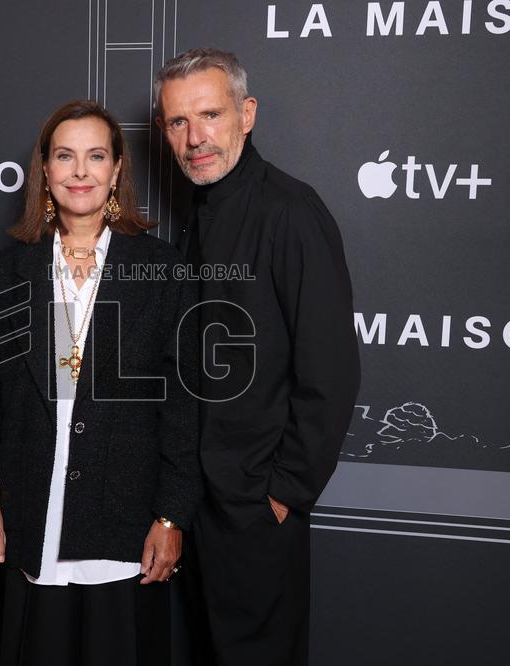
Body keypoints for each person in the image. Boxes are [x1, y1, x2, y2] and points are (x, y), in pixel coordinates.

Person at [0, 100, 201, 666]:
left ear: (117, 169)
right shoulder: (9, 270)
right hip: (33, 519)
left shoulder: (161, 268)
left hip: (123, 527)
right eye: (65, 156)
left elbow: (182, 406)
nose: (80, 171)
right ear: (44, 171)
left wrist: (171, 516)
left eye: (96, 156)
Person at [154, 49, 361, 665]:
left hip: (253, 506)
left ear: (246, 115)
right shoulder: (200, 212)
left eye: (210, 115)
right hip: (196, 502)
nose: (196, 139)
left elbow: (329, 368)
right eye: (177, 122)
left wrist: (283, 491)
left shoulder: (290, 211)